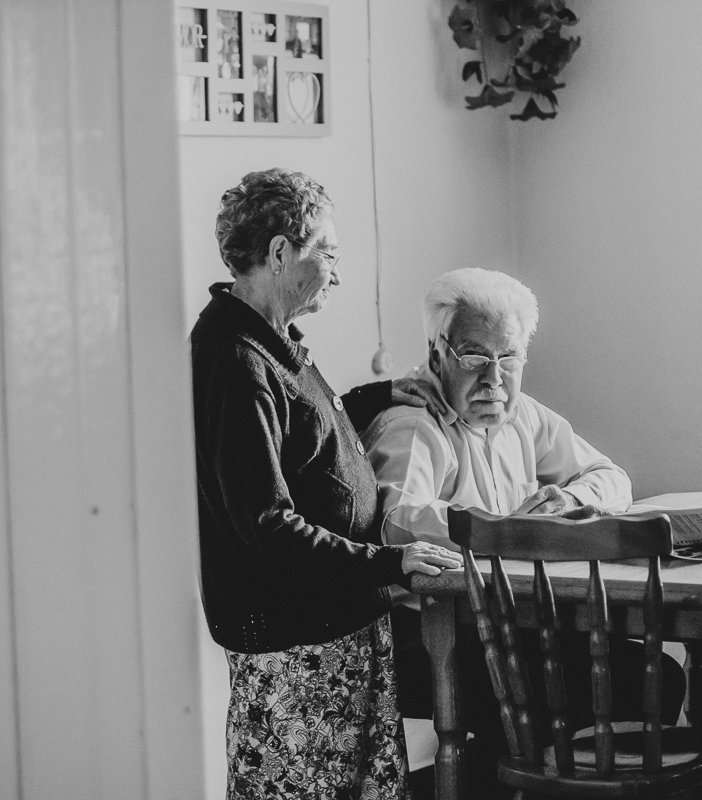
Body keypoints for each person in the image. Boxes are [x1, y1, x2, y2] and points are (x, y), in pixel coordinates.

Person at [190, 168, 462, 800]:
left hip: (335, 628)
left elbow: (301, 431)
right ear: (279, 252)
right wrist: (390, 562)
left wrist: (377, 395)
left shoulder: (267, 341)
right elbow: (267, 524)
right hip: (295, 645)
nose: (336, 275)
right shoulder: (233, 359)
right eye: (328, 254)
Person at [362, 268, 685, 794]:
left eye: (509, 359)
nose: (494, 378)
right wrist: (511, 530)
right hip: (439, 637)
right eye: (475, 357)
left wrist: (570, 499)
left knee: (655, 679)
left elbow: (611, 477)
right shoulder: (413, 424)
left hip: (518, 625)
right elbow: (399, 521)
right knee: (546, 705)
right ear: (437, 353)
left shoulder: (522, 416)